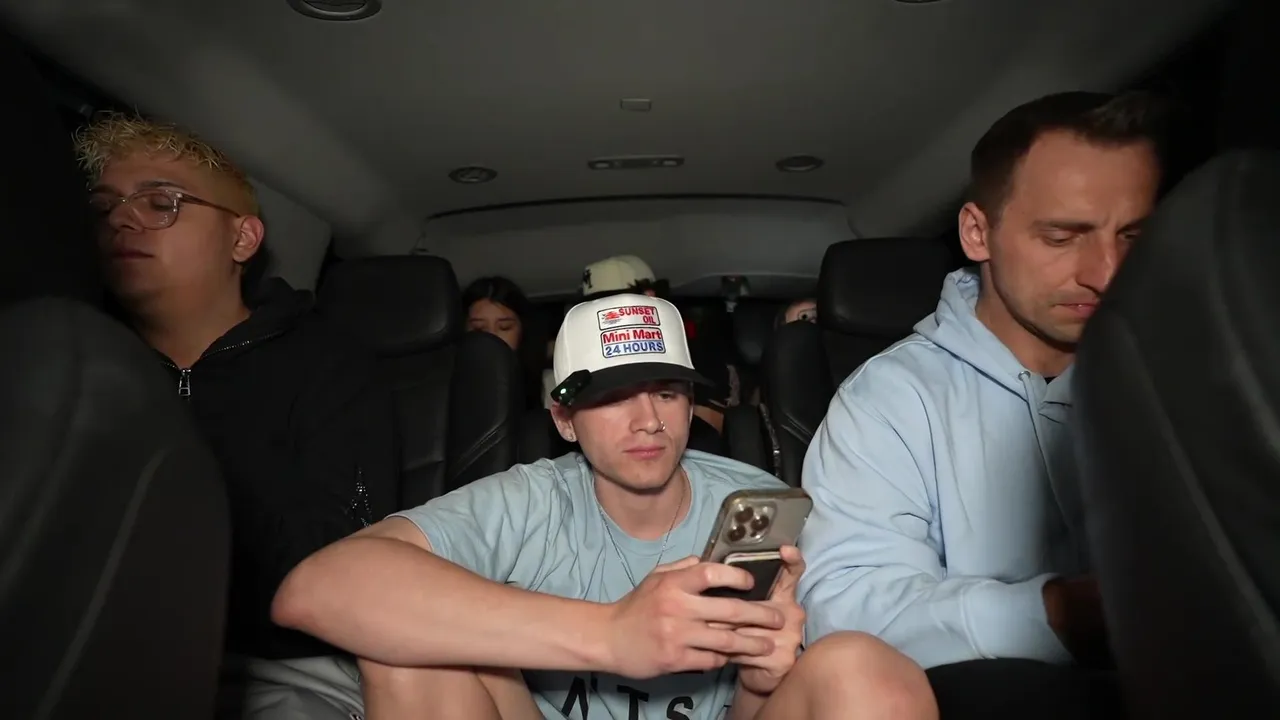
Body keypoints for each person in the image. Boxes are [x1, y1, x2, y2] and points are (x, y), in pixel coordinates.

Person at [272, 293, 938, 720]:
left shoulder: (756, 505)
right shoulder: (529, 500)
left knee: (863, 667)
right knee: (406, 641)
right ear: (563, 419)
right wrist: (614, 633)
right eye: (613, 397)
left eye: (667, 392)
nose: (648, 420)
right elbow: (313, 591)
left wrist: (763, 682)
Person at [798, 91, 1164, 716]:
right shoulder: (888, 402)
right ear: (977, 232)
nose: (1106, 272)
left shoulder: (1191, 374)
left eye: (1132, 236)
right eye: (1061, 237)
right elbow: (848, 617)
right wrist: (1059, 612)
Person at [76, 112, 400, 719]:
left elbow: (344, 556)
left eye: (161, 202)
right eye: (103, 206)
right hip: (98, 654)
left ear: (242, 239)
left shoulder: (326, 362)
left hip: (282, 663)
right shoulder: (75, 365)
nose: (121, 219)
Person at [580, 255, 735, 433]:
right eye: (593, 309)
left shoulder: (691, 354)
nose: (605, 316)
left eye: (613, 304)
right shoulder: (583, 361)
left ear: (650, 297)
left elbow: (710, 429)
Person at [463, 275, 547, 409]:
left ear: (522, 331)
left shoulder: (548, 385)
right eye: (479, 328)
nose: (492, 337)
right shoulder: (442, 388)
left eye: (504, 327)